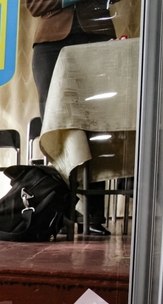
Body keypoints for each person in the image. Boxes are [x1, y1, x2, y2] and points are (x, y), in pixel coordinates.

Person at [27, 0, 118, 236]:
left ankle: (92, 215)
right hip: (51, 44)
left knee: (97, 126)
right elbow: (34, 5)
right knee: (55, 127)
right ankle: (58, 212)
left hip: (97, 37)